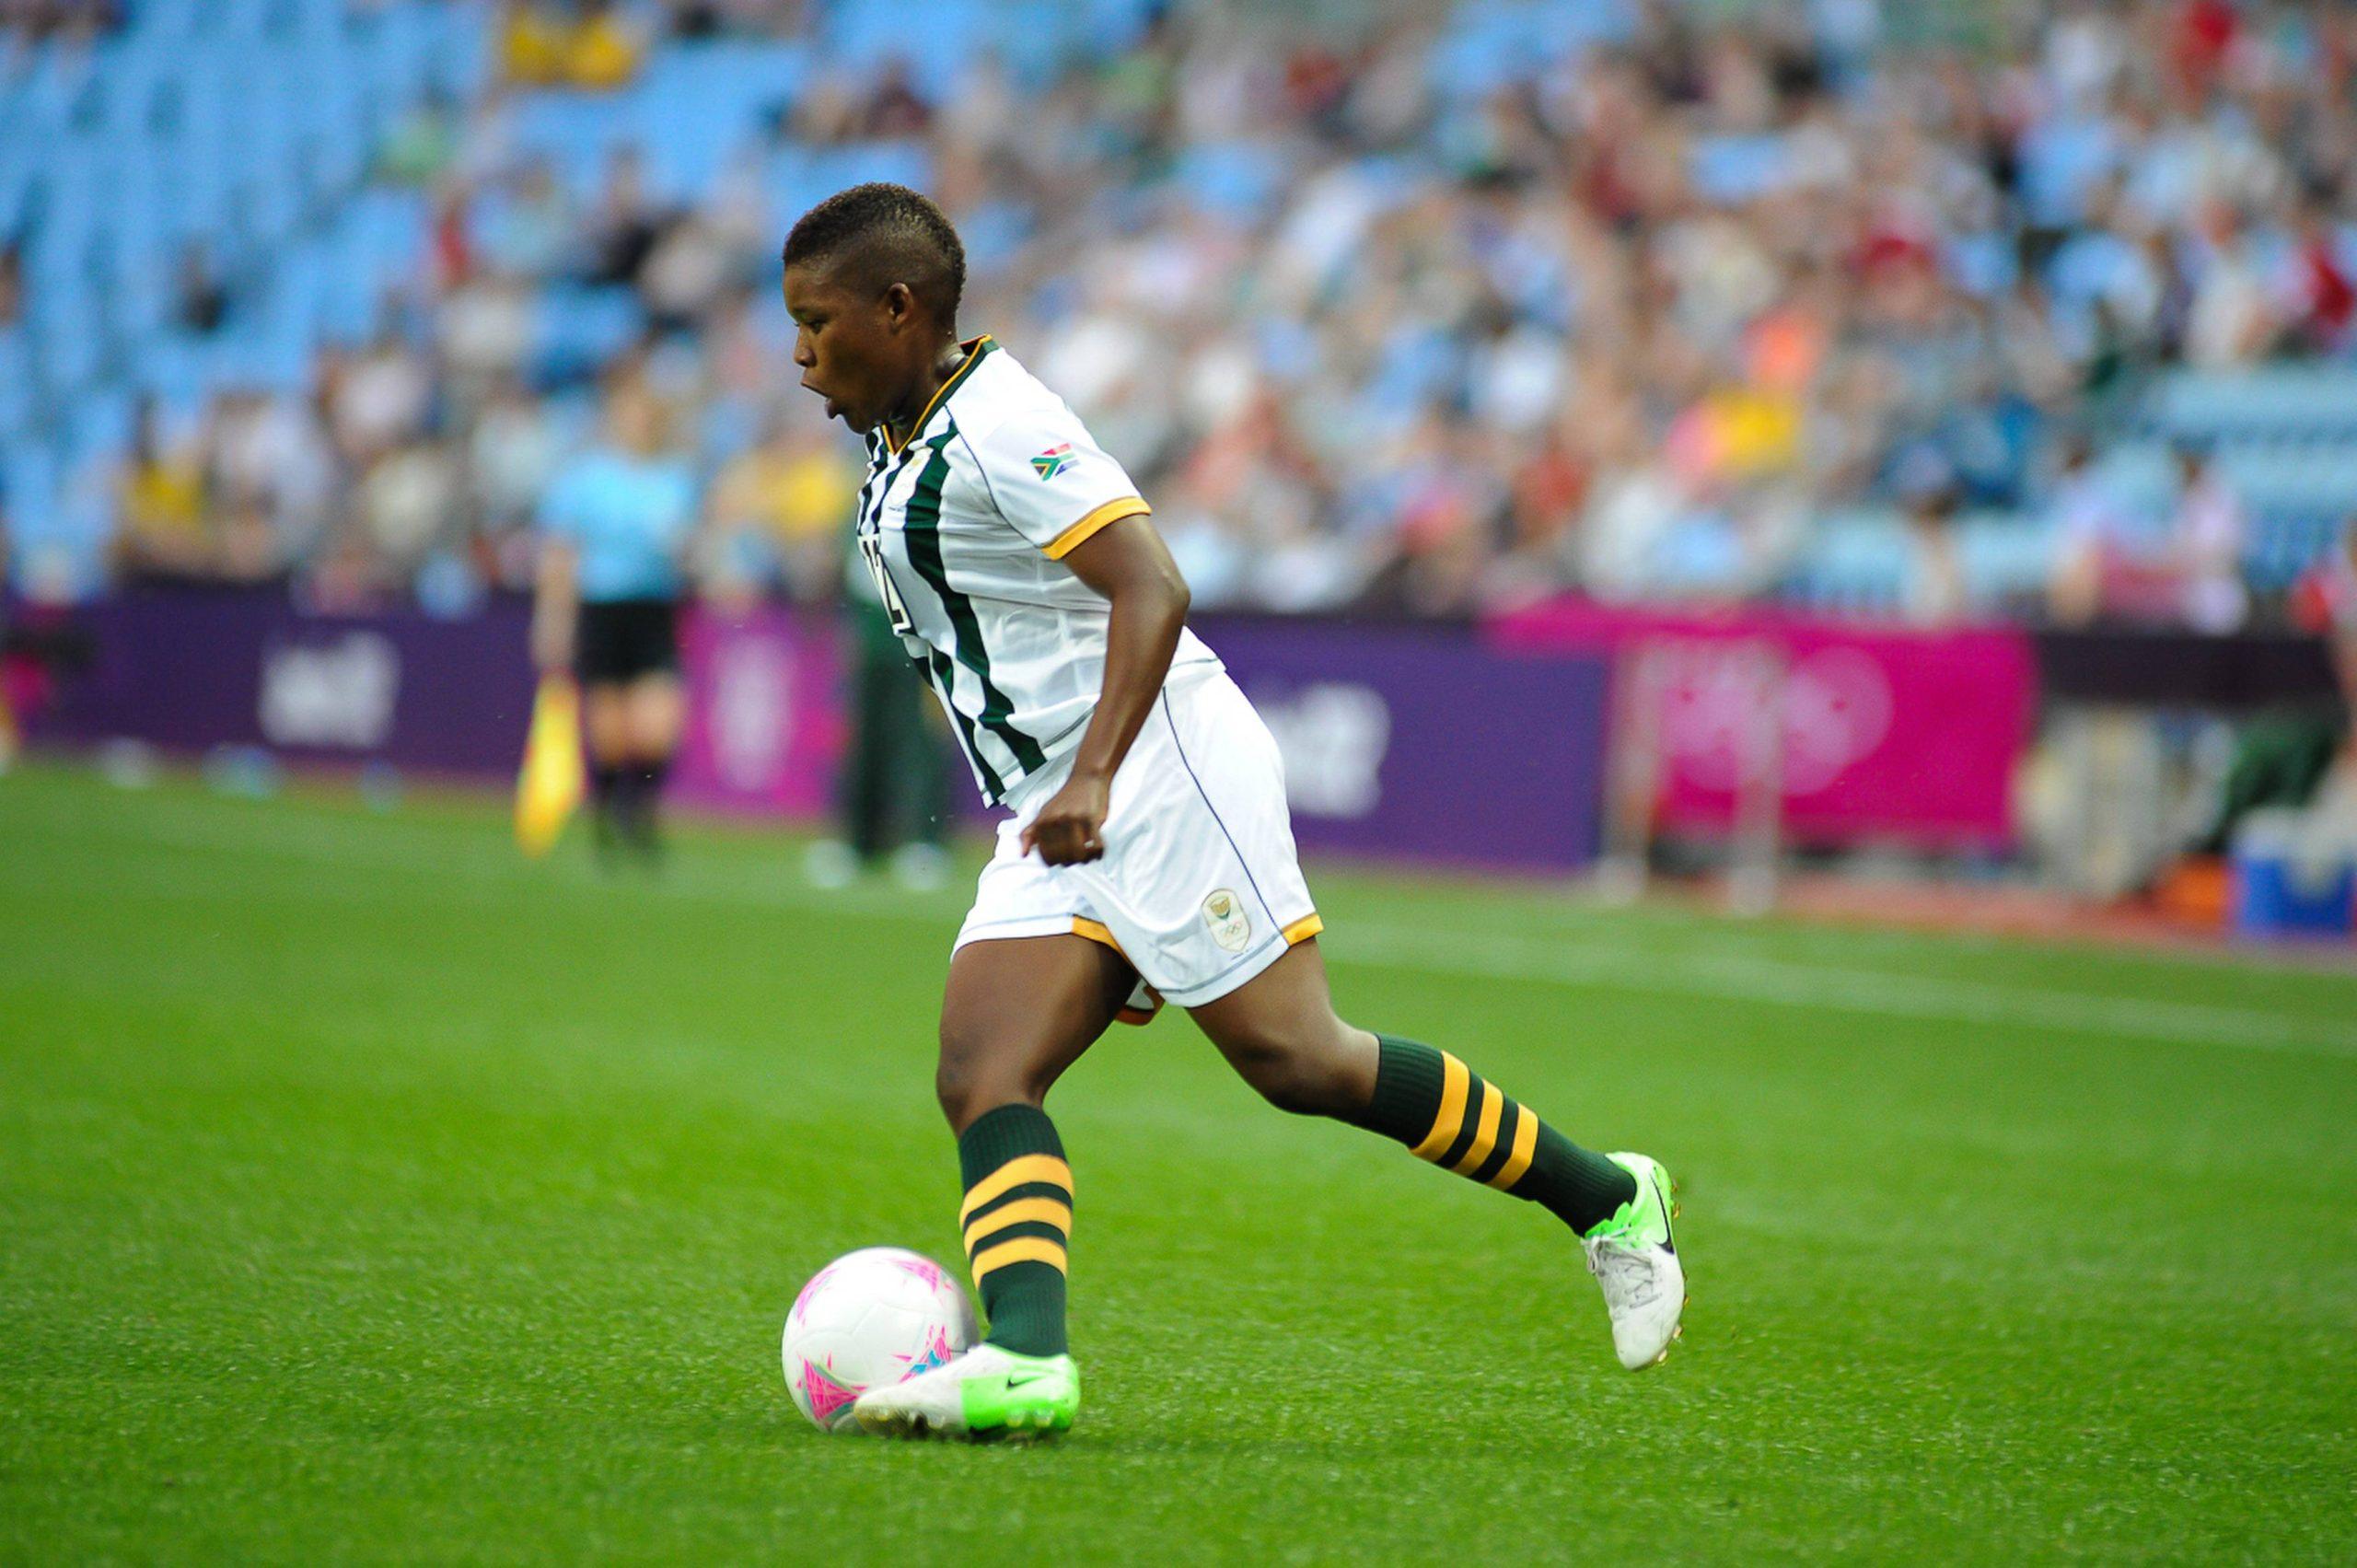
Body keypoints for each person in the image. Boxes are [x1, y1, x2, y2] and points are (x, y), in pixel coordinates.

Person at [781, 183, 1684, 1441]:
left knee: (1296, 1058)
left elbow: (1154, 582)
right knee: (983, 1066)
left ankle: (1611, 1199)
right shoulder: (898, 431)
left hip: (1151, 760)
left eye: (820, 322)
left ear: (899, 308)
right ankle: (1028, 1358)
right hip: (1058, 797)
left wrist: (1093, 772)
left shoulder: (1000, 424)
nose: (800, 351)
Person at [531, 374, 698, 862]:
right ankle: (605, 816)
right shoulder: (587, 479)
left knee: (658, 726)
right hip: (603, 608)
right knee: (607, 728)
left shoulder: (675, 480)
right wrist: (553, 618)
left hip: (652, 608)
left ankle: (639, 814)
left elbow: (688, 547)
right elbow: (561, 553)